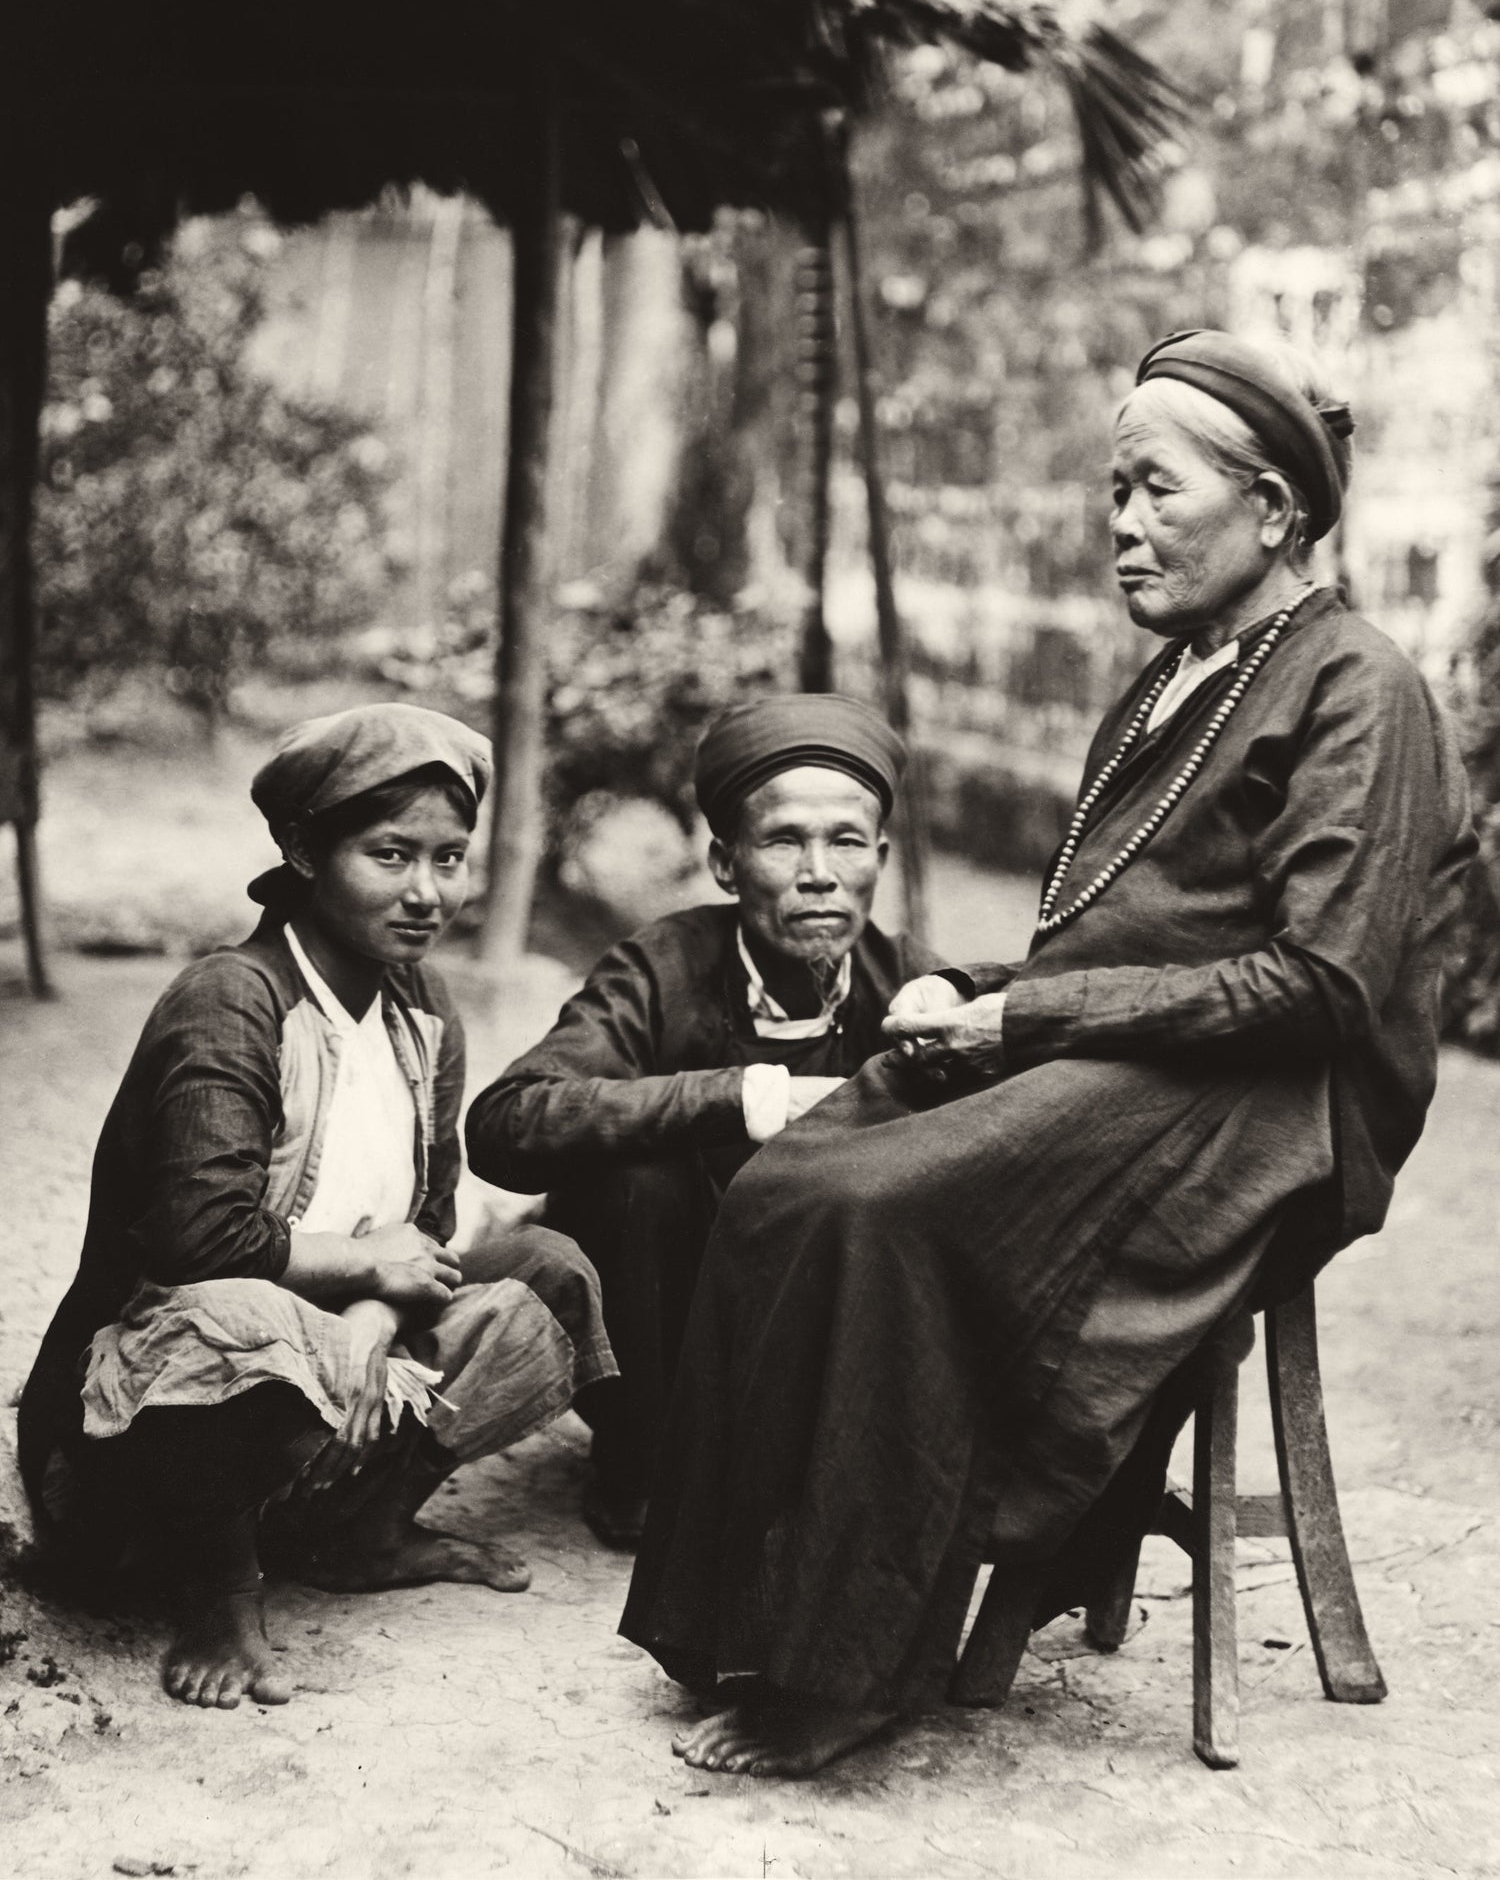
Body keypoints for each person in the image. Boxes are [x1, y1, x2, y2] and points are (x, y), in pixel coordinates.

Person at [620, 329, 1476, 1777]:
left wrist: (1027, 1017)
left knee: (877, 1208)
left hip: (1273, 1106)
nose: (1122, 526)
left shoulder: (1358, 686)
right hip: (1149, 1057)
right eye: (1112, 493)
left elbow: (1322, 982)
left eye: (1155, 491)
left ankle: (849, 1670)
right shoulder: (1162, 684)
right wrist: (983, 987)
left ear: (1272, 511)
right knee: (793, 1174)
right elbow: (1122, 939)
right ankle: (743, 1619)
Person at [18, 703, 616, 1711]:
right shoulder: (231, 1000)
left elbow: (424, 1223)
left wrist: (379, 1312)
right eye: (390, 855)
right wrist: (360, 1272)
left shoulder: (420, 1007)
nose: (427, 892)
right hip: (141, 1441)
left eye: (449, 858)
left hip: (328, 1371)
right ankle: (219, 1588)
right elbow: (196, 1242)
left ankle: (363, 1528)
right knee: (243, 1317)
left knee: (546, 1269)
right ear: (303, 848)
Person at [466, 693, 947, 1547]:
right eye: (783, 840)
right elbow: (508, 1121)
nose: (818, 873)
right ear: (727, 865)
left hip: (814, 1324)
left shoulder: (906, 981)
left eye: (845, 841)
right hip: (667, 1332)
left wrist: (962, 1003)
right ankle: (642, 1471)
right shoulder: (661, 967)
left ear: (878, 856)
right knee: (636, 1173)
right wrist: (739, 1097)